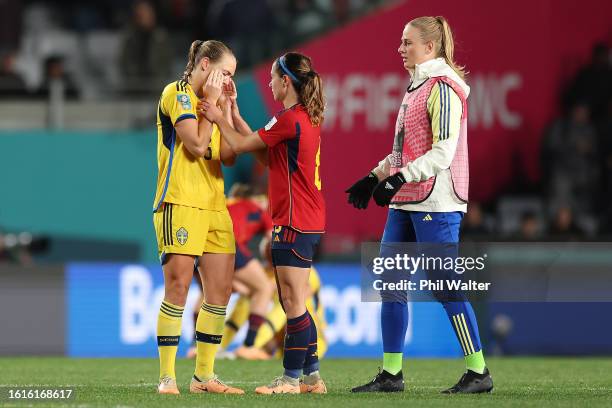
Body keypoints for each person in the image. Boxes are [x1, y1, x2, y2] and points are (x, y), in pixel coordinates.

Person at [346, 16, 493, 394]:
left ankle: (478, 372)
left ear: (429, 48)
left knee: (445, 285)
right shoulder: (416, 88)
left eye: (407, 42)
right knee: (390, 284)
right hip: (408, 199)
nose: (400, 48)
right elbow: (402, 151)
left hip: (437, 201)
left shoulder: (443, 89)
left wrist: (398, 178)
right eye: (401, 42)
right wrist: (375, 176)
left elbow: (442, 152)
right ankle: (391, 375)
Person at [200, 51, 326, 394]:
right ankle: (312, 379)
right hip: (307, 219)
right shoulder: (302, 118)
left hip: (294, 221)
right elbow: (264, 154)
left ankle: (289, 380)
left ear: (286, 81)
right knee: (294, 300)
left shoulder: (289, 119)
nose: (269, 83)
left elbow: (239, 145)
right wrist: (234, 115)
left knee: (293, 304)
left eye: (272, 78)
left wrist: (216, 115)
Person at [152, 39, 244, 395]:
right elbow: (194, 144)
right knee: (177, 288)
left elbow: (232, 155)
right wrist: (211, 113)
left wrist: (228, 109)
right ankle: (167, 377)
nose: (228, 81)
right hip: (180, 201)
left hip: (215, 205)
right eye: (226, 73)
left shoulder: (214, 103)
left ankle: (203, 376)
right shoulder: (177, 94)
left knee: (219, 292)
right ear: (206, 64)